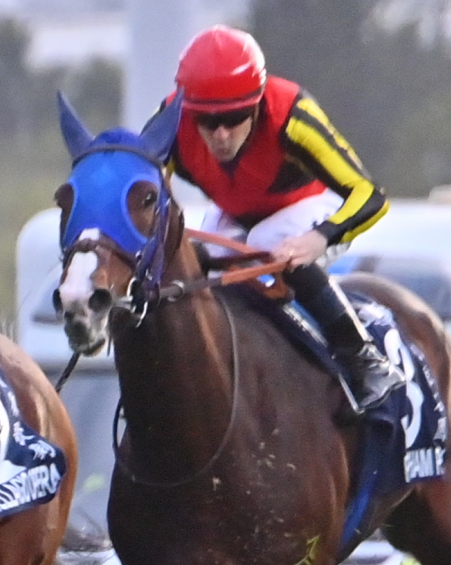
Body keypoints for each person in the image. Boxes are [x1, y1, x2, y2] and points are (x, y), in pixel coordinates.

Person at [148, 25, 396, 415]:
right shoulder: (170, 121)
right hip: (241, 208)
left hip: (318, 204)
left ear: (258, 104)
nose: (221, 135)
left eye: (235, 117)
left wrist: (320, 238)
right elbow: (141, 187)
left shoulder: (292, 116)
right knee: (197, 262)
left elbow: (371, 195)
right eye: (206, 121)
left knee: (267, 242)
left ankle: (364, 359)